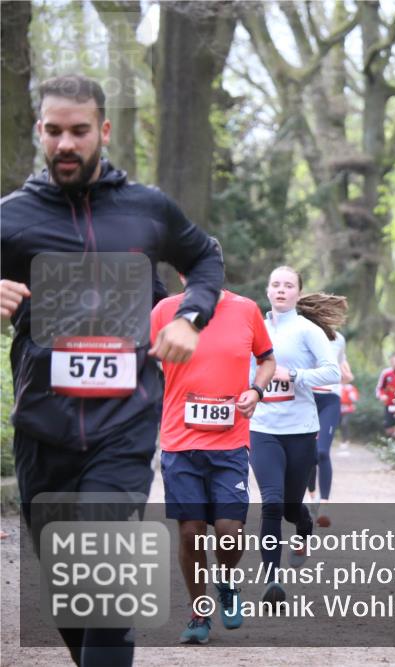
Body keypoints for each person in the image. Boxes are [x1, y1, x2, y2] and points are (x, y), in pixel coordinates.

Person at [0, 75, 223, 667]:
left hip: (124, 423)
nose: (65, 144)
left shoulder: (147, 209)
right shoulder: (12, 219)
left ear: (103, 130)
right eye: (54, 131)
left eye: (79, 131)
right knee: (69, 587)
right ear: (39, 132)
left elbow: (204, 257)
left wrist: (190, 316)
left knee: (102, 562)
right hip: (42, 426)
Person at [150, 239, 275, 644]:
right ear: (181, 272)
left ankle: (226, 580)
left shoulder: (246, 310)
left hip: (230, 443)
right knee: (190, 532)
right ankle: (199, 613)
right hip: (179, 441)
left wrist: (256, 390)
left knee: (229, 530)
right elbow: (142, 363)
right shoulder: (164, 311)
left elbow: (267, 359)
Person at [250, 266, 340, 604]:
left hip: (301, 430)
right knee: (271, 502)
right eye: (275, 284)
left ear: (298, 293)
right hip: (263, 428)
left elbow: (332, 372)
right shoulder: (254, 328)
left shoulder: (307, 330)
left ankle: (304, 527)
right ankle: (271, 581)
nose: (281, 290)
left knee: (290, 508)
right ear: (267, 290)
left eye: (288, 285)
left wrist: (295, 375)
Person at [300, 293, 353, 524]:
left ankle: (324, 505)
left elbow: (341, 370)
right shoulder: (301, 335)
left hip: (329, 399)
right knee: (308, 453)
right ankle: (312, 498)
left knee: (322, 452)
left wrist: (345, 376)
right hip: (306, 398)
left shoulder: (338, 339)